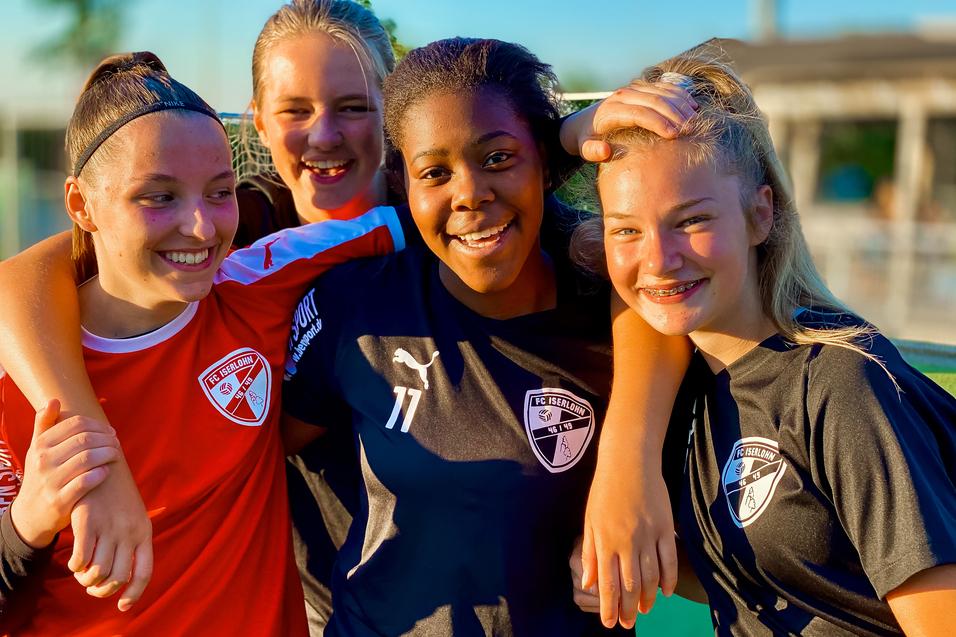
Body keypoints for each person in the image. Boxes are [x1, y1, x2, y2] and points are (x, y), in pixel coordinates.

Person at [0, 1, 697, 628]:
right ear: (259, 121)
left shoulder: (436, 226)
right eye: (295, 109)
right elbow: (28, 276)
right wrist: (81, 455)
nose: (324, 134)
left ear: (394, 123)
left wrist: (564, 135)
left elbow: (627, 277)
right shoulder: (240, 245)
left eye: (354, 106)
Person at [279, 36, 695, 635]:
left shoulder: (613, 293)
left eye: (498, 158)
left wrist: (628, 470)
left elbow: (659, 304)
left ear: (547, 163)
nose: (469, 193)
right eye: (435, 172)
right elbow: (255, 452)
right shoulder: (353, 304)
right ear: (404, 183)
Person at [0, 51, 406, 635]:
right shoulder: (21, 375)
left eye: (219, 192)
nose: (200, 226)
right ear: (81, 206)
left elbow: (450, 213)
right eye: (158, 197)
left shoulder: (255, 286)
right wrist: (28, 521)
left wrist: (566, 138)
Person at [574, 49, 956, 635]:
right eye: (627, 230)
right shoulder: (677, 387)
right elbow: (787, 571)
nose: (658, 259)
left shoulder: (840, 384)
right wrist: (630, 560)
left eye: (692, 220)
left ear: (761, 214)